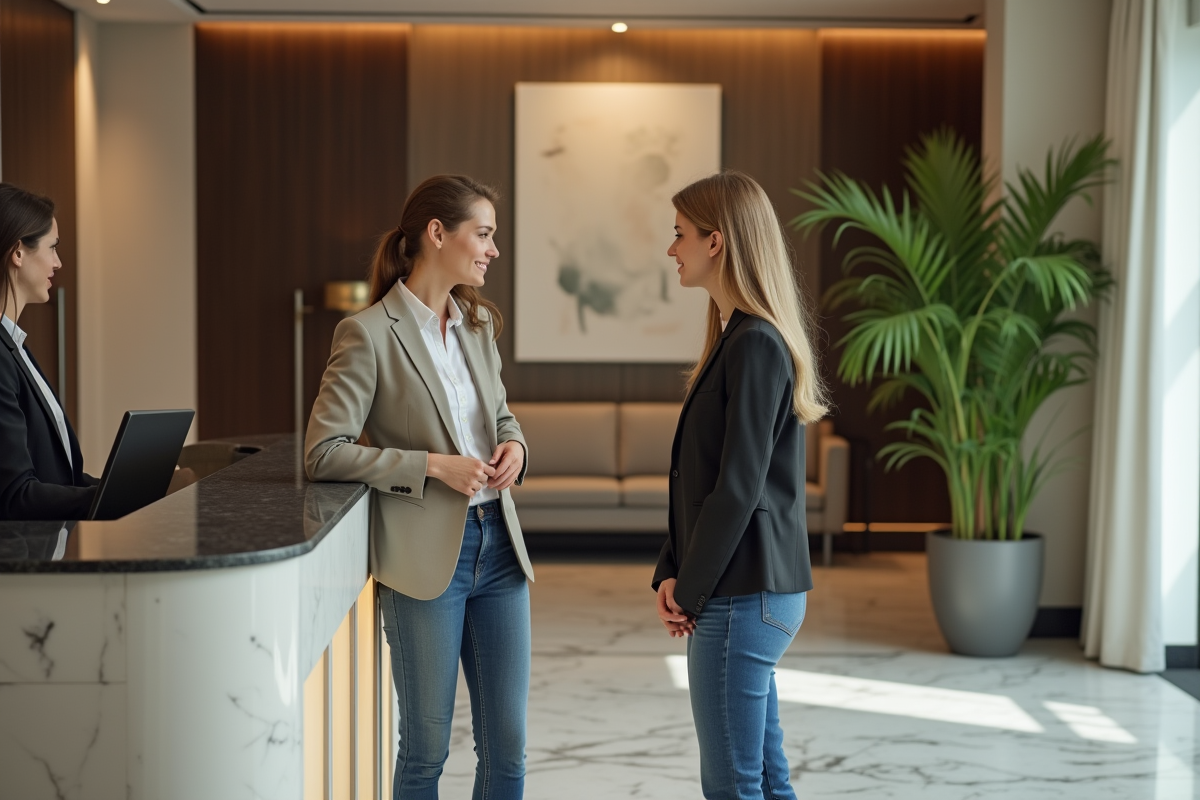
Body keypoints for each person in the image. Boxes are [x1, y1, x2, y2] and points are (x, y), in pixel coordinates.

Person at [305, 175, 532, 800]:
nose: (491, 250)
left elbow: (501, 415)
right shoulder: (367, 333)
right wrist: (433, 465)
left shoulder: (479, 327)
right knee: (426, 750)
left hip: (501, 550)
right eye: (482, 234)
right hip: (427, 561)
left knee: (508, 750)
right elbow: (323, 453)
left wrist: (515, 446)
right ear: (438, 234)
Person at [652, 171, 828, 800]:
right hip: (748, 591)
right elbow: (695, 480)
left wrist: (691, 591)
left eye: (679, 235)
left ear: (716, 242)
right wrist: (670, 570)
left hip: (743, 594)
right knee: (765, 780)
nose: (671, 249)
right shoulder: (738, 339)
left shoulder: (756, 343)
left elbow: (738, 488)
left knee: (732, 786)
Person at [0, 183, 98, 521]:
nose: (57, 262)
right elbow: (15, 494)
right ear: (18, 253)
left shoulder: (14, 346)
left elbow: (58, 479)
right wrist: (106, 499)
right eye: (52, 247)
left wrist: (127, 491)